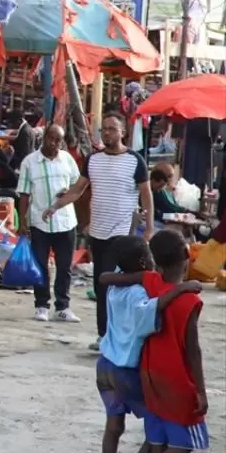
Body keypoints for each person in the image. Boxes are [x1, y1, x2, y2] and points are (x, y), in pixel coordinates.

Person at [50, 112, 154, 346]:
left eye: (112, 129)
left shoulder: (135, 161)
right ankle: (104, 334)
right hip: (98, 232)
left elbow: (146, 195)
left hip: (122, 232)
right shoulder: (93, 160)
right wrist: (56, 206)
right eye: (104, 129)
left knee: (112, 283)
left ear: (123, 132)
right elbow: (78, 190)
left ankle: (113, 336)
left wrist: (148, 229)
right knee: (100, 284)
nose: (107, 133)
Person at [94, 236, 202, 453]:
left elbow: (104, 277)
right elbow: (149, 311)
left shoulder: (117, 284)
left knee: (114, 427)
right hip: (126, 371)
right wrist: (181, 289)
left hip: (105, 366)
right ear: (144, 261)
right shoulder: (138, 293)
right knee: (158, 423)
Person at [140, 230, 210, 452]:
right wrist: (200, 390)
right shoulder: (189, 301)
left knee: (155, 444)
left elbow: (119, 276)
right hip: (178, 385)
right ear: (187, 255)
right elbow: (193, 351)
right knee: (182, 444)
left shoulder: (150, 284)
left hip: (151, 380)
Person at [17, 124, 82, 322]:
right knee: (41, 265)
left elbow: (77, 185)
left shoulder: (67, 160)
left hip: (66, 221)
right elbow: (24, 195)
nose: (54, 144)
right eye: (50, 139)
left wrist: (67, 193)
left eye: (58, 140)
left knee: (64, 267)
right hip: (39, 222)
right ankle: (41, 305)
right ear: (43, 138)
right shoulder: (30, 162)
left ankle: (63, 306)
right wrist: (22, 222)